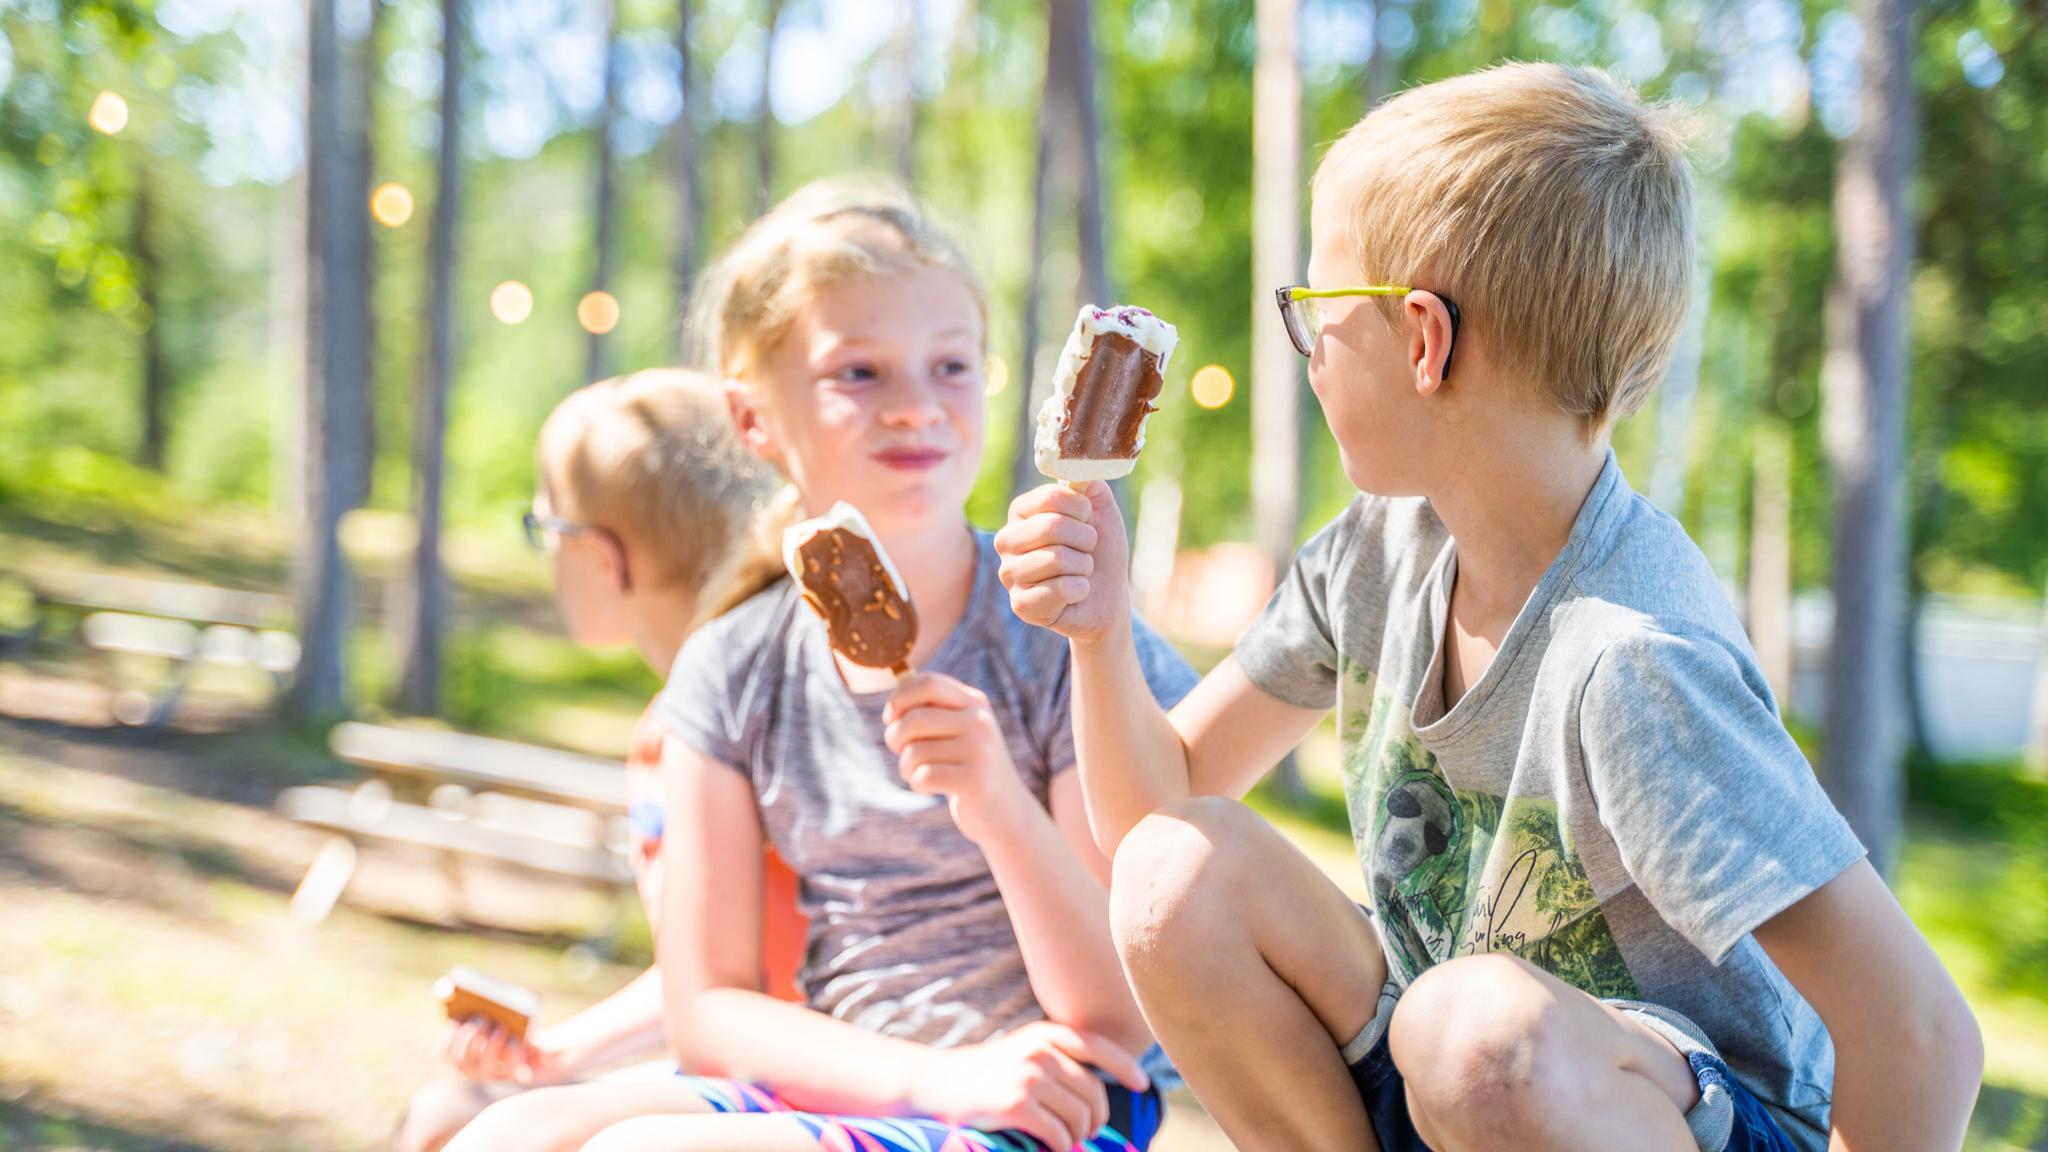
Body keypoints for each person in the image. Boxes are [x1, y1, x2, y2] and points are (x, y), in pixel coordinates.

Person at [997, 62, 1982, 1152]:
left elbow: (1921, 1034)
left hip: (1665, 1113)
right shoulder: (1375, 553)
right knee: (1173, 873)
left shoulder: (1627, 660)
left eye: (1316, 310)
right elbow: (1149, 817)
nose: (1309, 350)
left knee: (1469, 1031)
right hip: (1448, 1089)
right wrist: (1097, 637)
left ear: (1421, 339)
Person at [445, 180, 1197, 1152]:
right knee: (501, 1137)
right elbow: (707, 1007)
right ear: (753, 420)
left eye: (951, 365)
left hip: (1052, 1102)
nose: (915, 408)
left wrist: (998, 810)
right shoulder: (731, 666)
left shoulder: (1060, 633)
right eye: (860, 374)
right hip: (850, 1079)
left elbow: (1121, 1018)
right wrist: (929, 1079)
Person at [394, 368, 808, 1152]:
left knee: (470, 1132)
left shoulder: (713, 720)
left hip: (815, 1087)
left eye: (544, 531)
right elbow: (724, 963)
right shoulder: (692, 709)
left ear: (603, 557)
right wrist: (560, 1055)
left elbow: (763, 977)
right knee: (443, 1117)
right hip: (757, 1071)